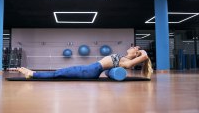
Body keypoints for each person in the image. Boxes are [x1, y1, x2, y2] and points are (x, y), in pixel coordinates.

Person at [17, 46, 153, 79]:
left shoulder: (126, 61)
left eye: (135, 47)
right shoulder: (123, 57)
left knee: (59, 73)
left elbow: (133, 64)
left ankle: (32, 74)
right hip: (92, 68)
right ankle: (32, 73)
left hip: (91, 70)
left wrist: (143, 54)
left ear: (136, 53)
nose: (132, 47)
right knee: (61, 72)